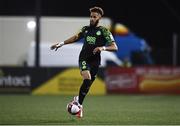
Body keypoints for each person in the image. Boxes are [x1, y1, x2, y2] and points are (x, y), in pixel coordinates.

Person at [50, 6, 118, 118]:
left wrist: (103, 48)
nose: (91, 18)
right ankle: (79, 105)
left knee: (87, 85)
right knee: (87, 78)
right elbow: (76, 37)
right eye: (90, 16)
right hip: (84, 59)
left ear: (99, 18)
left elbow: (114, 47)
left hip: (95, 62)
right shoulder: (85, 29)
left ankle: (78, 102)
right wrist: (61, 43)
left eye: (94, 17)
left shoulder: (104, 31)